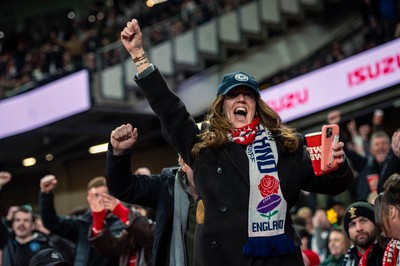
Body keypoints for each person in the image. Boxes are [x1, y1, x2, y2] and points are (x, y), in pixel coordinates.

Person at [120, 18, 354, 265]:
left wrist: (338, 163)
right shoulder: (203, 147)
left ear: (256, 105)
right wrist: (138, 56)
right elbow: (170, 110)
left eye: (248, 95)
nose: (241, 99)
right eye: (233, 94)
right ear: (222, 106)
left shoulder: (285, 146)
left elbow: (335, 184)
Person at [106, 123, 198, 266]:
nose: (203, 168)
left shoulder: (226, 189)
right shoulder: (167, 185)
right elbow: (122, 187)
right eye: (195, 160)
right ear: (183, 163)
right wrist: (119, 153)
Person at [40, 175, 125, 266]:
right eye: (96, 195)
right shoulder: (83, 222)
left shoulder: (123, 222)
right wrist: (46, 194)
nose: (100, 199)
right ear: (89, 199)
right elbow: (52, 222)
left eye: (104, 195)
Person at [0, 171, 74, 266]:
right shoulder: (7, 242)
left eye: (26, 220)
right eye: (17, 220)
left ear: (33, 225)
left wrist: (49, 233)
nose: (21, 223)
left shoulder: (45, 243)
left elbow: (69, 252)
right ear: (13, 224)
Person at [87, 183, 154, 266]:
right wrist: (98, 218)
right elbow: (110, 249)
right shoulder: (128, 235)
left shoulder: (159, 228)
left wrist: (120, 211)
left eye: (138, 209)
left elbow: (150, 235)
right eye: (132, 209)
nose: (134, 213)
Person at [342, 200, 384, 265]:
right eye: (352, 225)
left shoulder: (390, 253)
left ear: (376, 223)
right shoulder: (347, 260)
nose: (359, 228)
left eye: (363, 221)